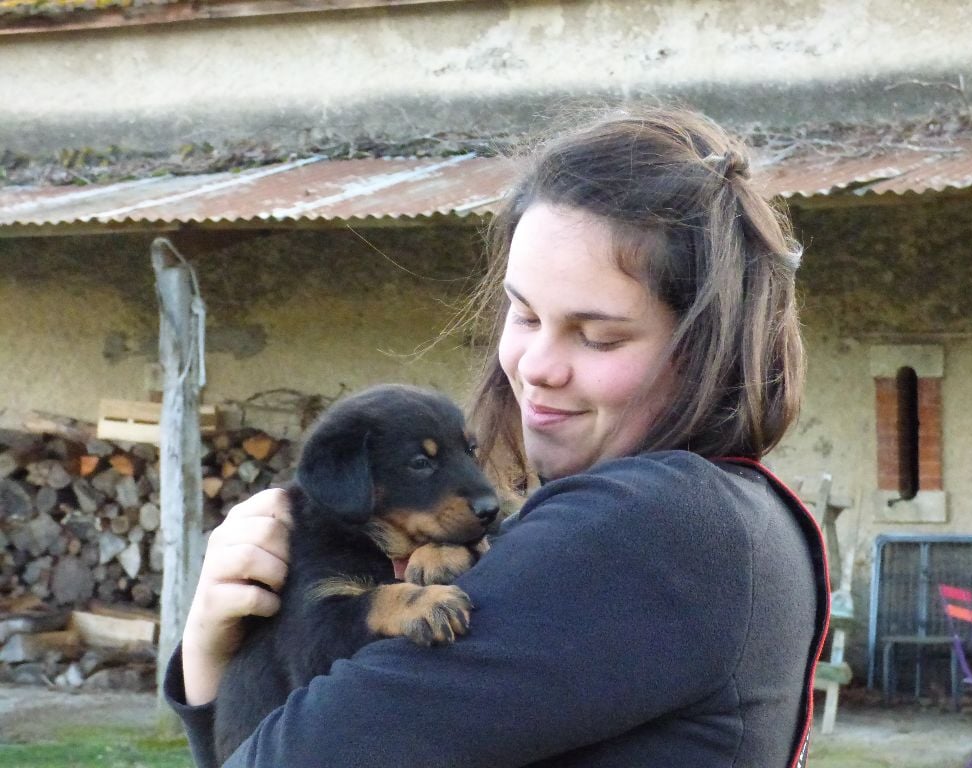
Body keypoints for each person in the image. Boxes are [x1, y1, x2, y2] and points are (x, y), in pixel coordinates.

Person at [164, 106, 830, 767]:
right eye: (524, 313)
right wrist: (213, 655)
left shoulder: (653, 525)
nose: (536, 367)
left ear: (706, 347)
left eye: (599, 336)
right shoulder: (732, 518)